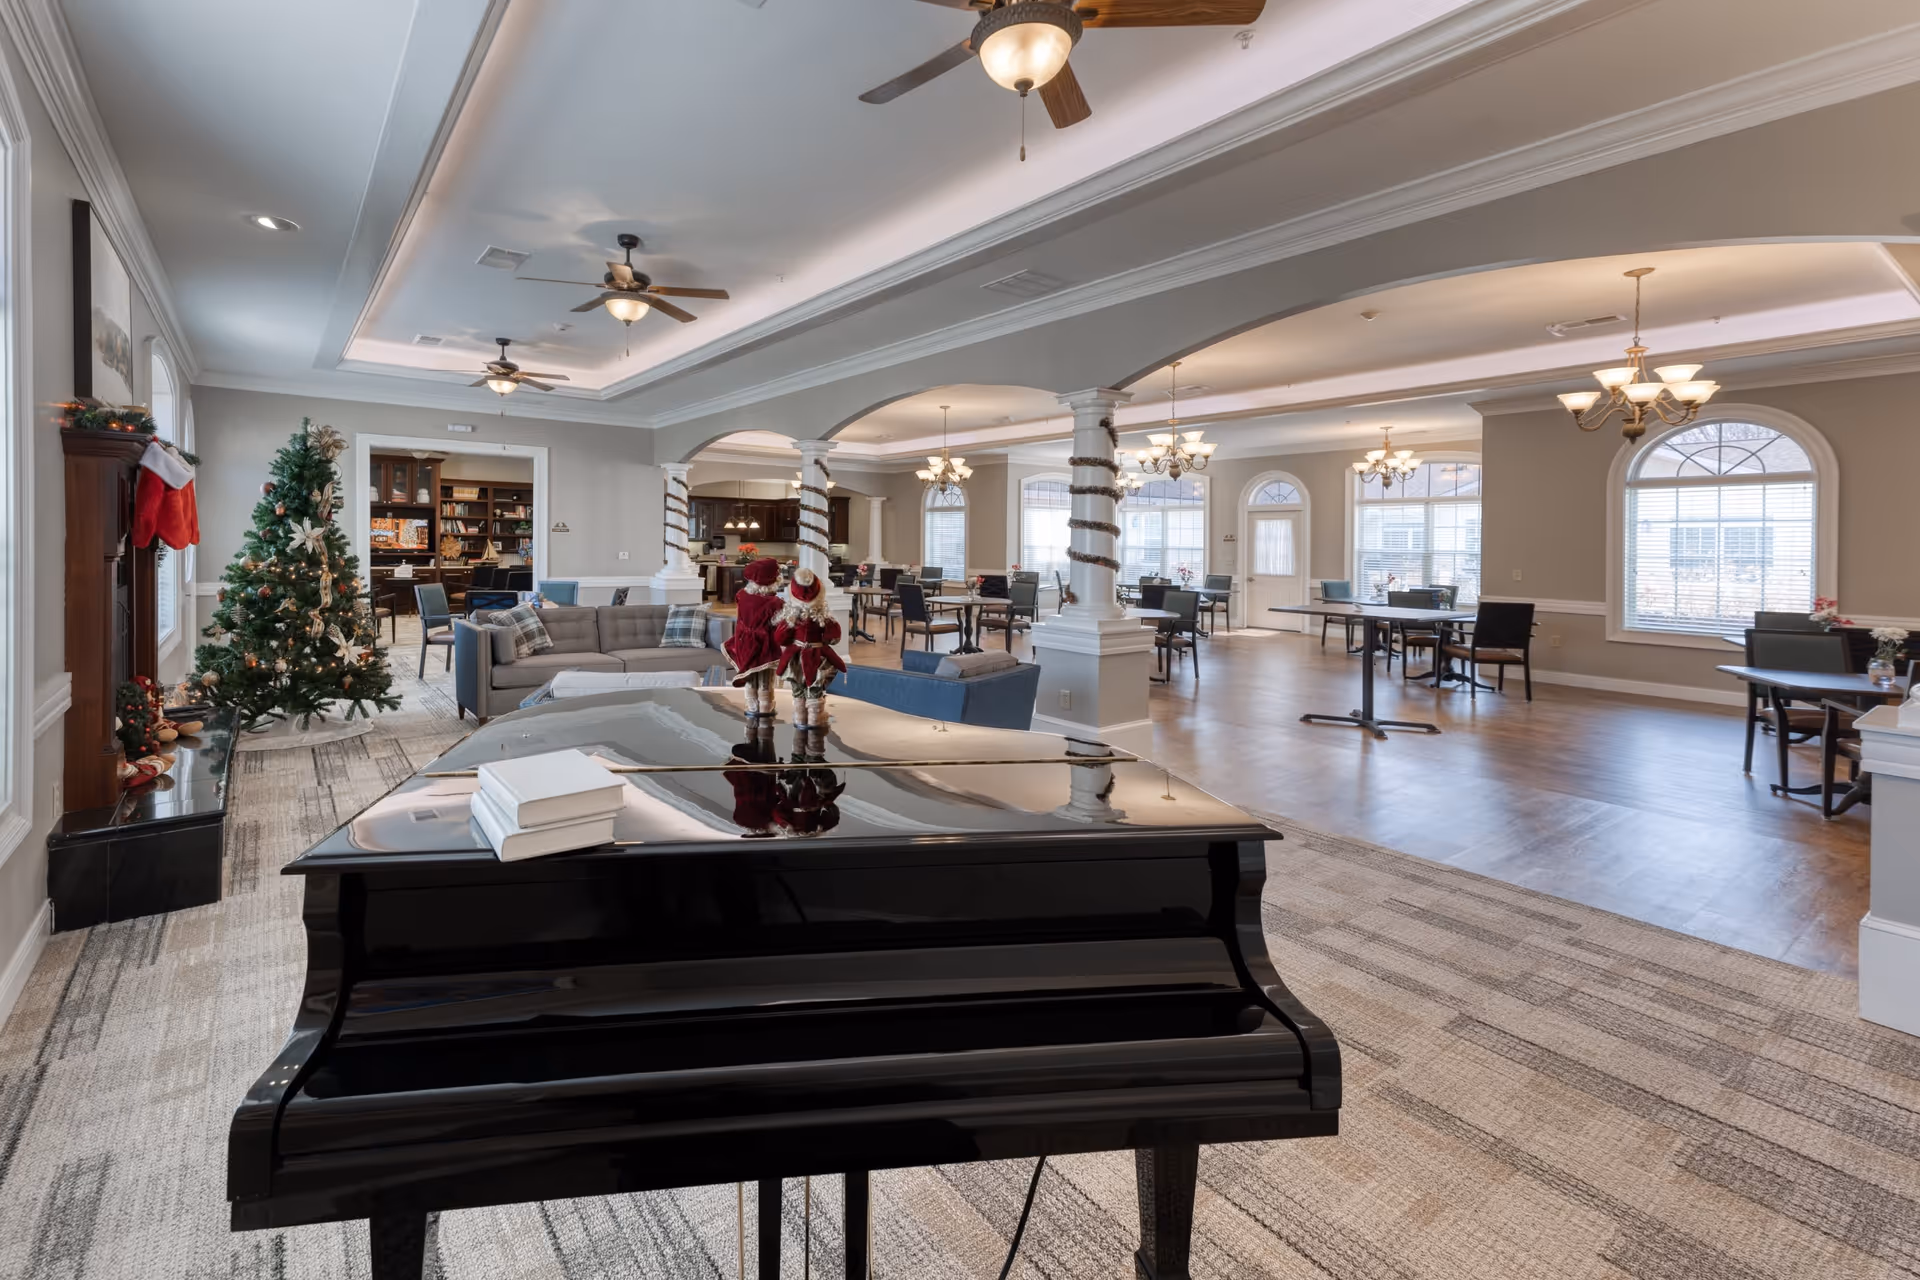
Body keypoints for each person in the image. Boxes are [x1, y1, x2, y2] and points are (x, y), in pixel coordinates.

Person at [772, 567, 847, 729]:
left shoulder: (790, 618)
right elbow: (833, 638)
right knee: (815, 688)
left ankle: (800, 718)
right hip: (817, 657)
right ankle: (815, 719)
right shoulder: (824, 618)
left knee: (798, 690)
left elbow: (781, 638)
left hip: (795, 658)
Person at [723, 556, 784, 719]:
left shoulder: (741, 595)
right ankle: (766, 709)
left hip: (744, 642)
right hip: (765, 644)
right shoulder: (775, 603)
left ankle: (752, 707)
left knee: (750, 675)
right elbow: (779, 625)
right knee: (766, 678)